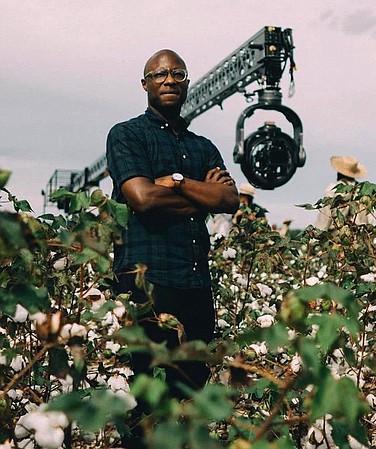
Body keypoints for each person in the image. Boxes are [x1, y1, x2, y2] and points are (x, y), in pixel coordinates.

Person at [106, 49, 239, 448]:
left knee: (189, 399)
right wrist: (204, 194)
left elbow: (230, 200)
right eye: (159, 74)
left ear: (186, 82)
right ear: (144, 83)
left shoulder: (203, 147)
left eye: (177, 74)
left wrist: (175, 182)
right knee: (147, 401)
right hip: (147, 286)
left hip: (196, 286)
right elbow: (143, 199)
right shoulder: (127, 135)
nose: (168, 80)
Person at [314, 156, 370, 230]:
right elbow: (369, 218)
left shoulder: (333, 189)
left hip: (336, 236)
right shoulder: (363, 190)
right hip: (359, 236)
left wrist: (315, 239)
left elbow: (324, 218)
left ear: (339, 173)